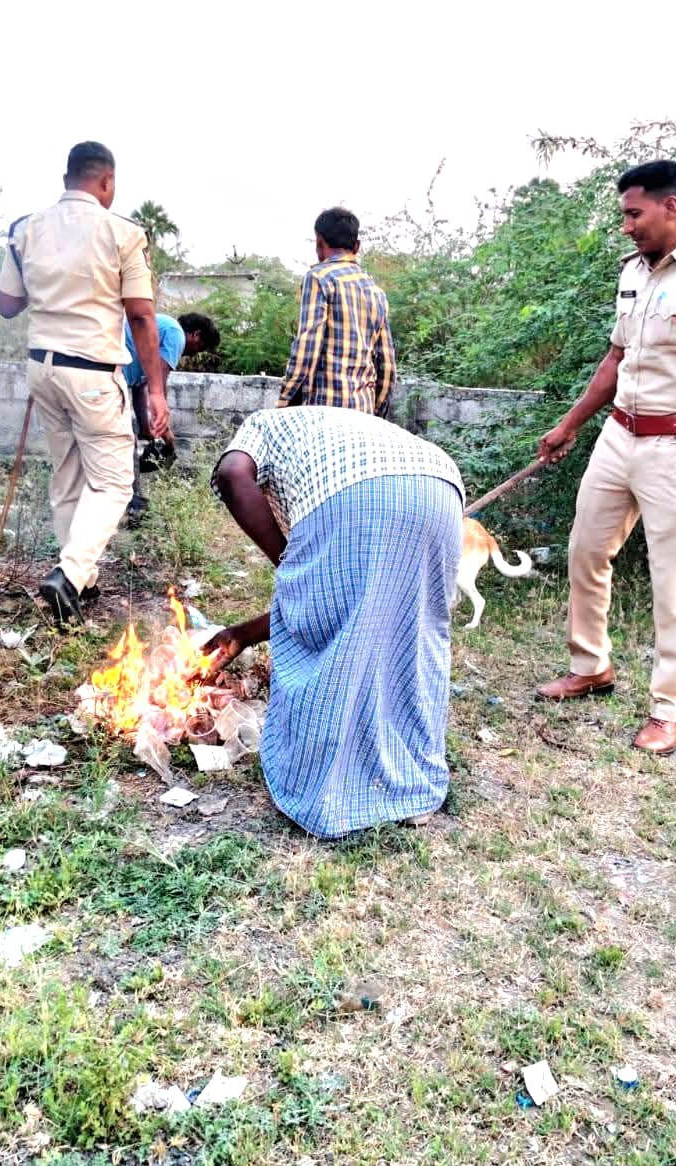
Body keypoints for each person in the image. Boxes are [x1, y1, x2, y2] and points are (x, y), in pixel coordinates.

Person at [533, 160, 676, 755]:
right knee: (585, 550)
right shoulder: (632, 272)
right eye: (624, 215)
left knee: (673, 578)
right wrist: (568, 426)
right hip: (618, 436)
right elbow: (615, 360)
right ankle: (591, 666)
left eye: (635, 214)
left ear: (672, 207)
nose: (627, 226)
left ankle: (668, 707)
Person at [201, 406, 463, 839]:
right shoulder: (329, 428)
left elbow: (231, 474)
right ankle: (410, 787)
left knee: (328, 651)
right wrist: (243, 635)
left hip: (353, 489)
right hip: (440, 485)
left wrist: (284, 557)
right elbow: (351, 604)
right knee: (410, 635)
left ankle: (330, 793)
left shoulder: (260, 424)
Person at [0, 140, 169, 626]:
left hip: (42, 370)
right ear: (106, 181)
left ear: (67, 177)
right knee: (114, 481)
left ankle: (83, 585)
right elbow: (140, 315)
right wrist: (155, 390)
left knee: (68, 472)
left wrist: (42, 276)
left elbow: (7, 304)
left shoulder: (26, 230)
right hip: (91, 371)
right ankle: (69, 575)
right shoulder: (123, 233)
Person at [279, 207, 396, 417]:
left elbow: (307, 347)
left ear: (319, 243)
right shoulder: (376, 292)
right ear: (357, 246)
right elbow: (387, 365)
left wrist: (284, 401)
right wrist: (376, 413)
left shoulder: (318, 278)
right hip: (363, 413)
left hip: (324, 411)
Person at [122, 311, 220, 523]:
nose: (194, 354)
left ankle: (132, 501)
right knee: (122, 442)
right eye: (200, 348)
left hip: (109, 378)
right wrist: (166, 431)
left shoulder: (161, 332)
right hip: (107, 377)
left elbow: (141, 389)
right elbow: (159, 385)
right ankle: (131, 505)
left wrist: (147, 428)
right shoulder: (176, 333)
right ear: (195, 335)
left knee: (125, 440)